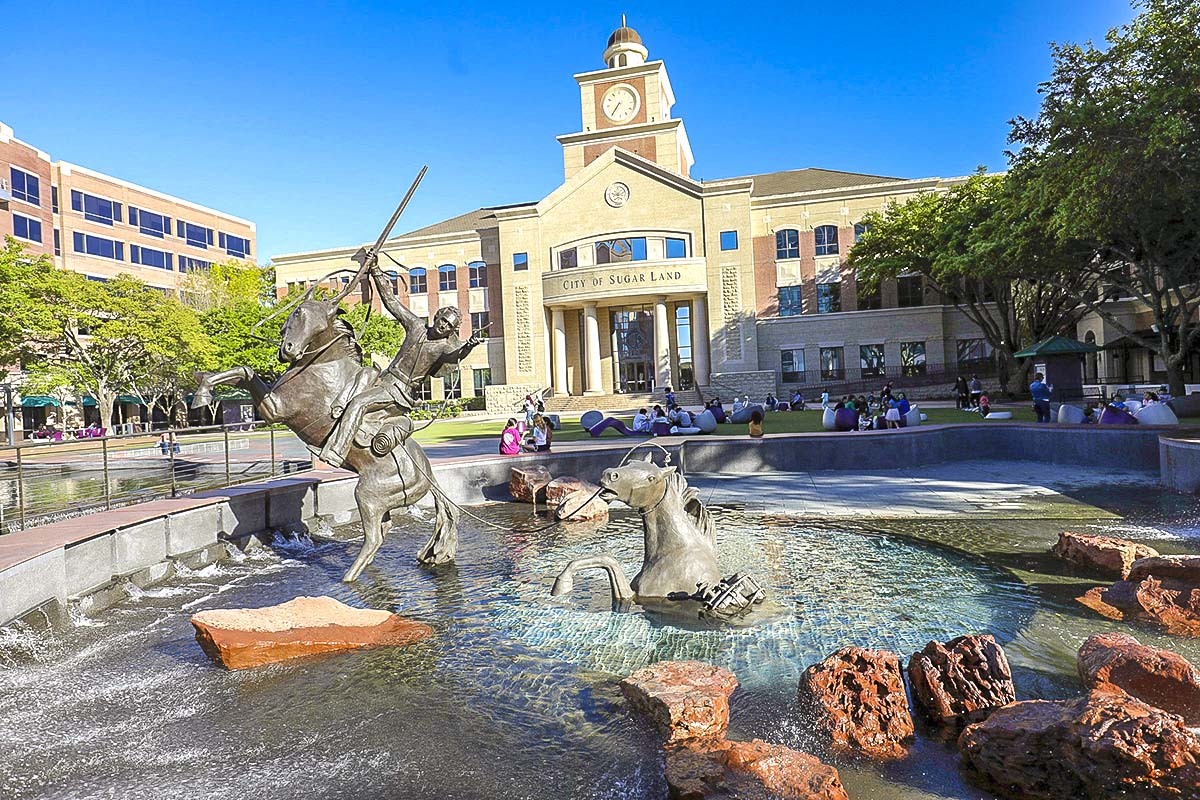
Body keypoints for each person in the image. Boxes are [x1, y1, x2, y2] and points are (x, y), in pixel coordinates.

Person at [318, 261, 485, 468]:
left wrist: (468, 347)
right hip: (384, 379)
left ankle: (336, 451)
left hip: (399, 391)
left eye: (449, 326)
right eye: (443, 320)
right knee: (361, 375)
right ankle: (334, 418)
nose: (444, 326)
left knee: (359, 403)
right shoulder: (416, 326)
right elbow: (391, 302)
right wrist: (376, 270)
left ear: (452, 331)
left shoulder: (443, 347)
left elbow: (454, 355)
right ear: (437, 316)